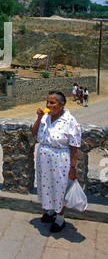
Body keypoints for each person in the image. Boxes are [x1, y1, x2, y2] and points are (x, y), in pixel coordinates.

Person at [31, 91, 81, 233]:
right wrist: (39, 117)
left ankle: (60, 218)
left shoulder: (70, 121)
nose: (48, 105)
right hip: (44, 159)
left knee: (60, 188)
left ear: (61, 105)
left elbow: (74, 146)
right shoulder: (45, 117)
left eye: (52, 103)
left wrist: (73, 167)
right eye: (47, 102)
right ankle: (51, 210)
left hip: (60, 159)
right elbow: (34, 133)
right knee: (47, 185)